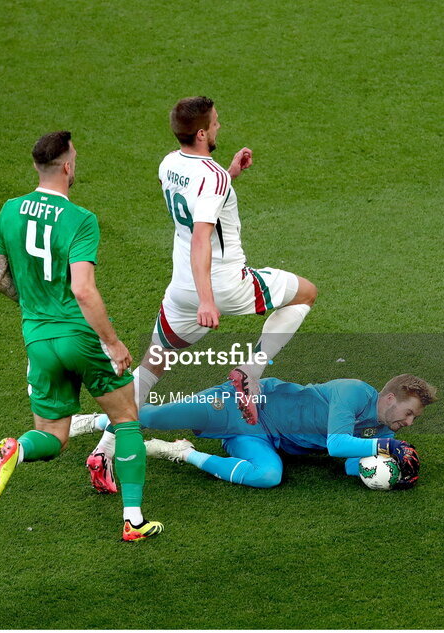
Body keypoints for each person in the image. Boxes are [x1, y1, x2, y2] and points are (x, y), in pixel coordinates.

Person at [85, 97, 318, 486]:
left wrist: (229, 175)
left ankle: (104, 452)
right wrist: (210, 300)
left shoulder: (169, 164)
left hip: (181, 289)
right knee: (306, 293)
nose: (220, 127)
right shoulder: (213, 178)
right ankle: (251, 370)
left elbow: (195, 201)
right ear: (202, 132)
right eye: (216, 123)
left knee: (152, 366)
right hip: (224, 283)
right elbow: (201, 238)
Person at [0, 130, 162, 541]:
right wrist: (113, 343)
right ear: (67, 166)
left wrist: (38, 309)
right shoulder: (80, 219)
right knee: (126, 417)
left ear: (36, 166)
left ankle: (18, 448)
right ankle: (133, 520)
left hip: (37, 338)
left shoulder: (9, 211)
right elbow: (83, 289)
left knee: (52, 435)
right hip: (79, 337)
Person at [73, 374, 437, 490]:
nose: (407, 424)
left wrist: (386, 468)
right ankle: (93, 421)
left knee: (268, 476)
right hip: (241, 405)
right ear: (390, 398)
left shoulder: (376, 426)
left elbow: (345, 461)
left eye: (412, 421)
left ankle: (181, 452)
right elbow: (337, 443)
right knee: (152, 416)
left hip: (261, 439)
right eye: (407, 414)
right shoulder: (355, 392)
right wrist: (383, 444)